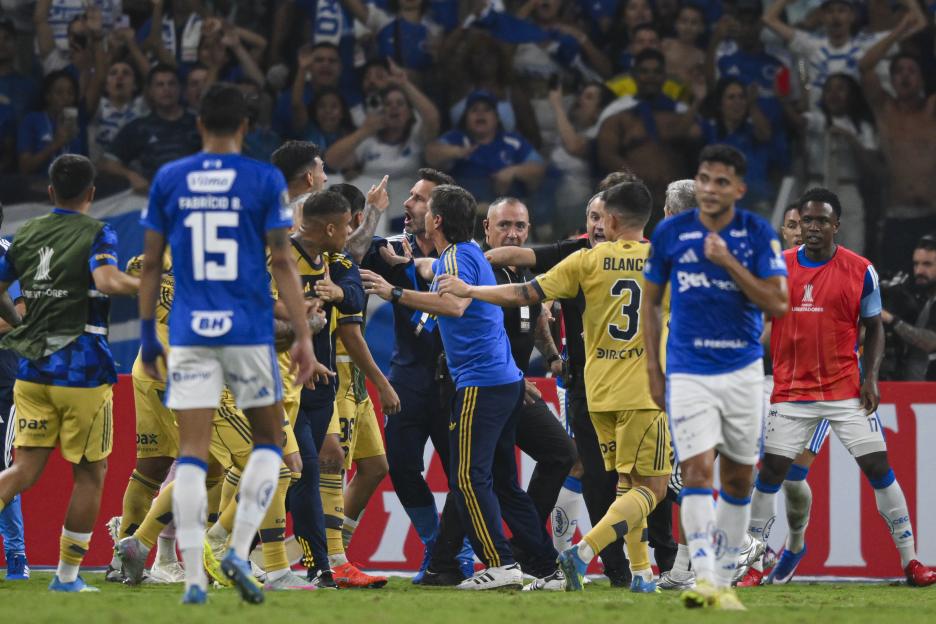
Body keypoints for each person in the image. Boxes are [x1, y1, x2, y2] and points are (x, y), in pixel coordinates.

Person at [439, 180, 672, 594]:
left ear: (612, 219)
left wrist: (470, 288)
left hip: (597, 393)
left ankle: (641, 573)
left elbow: (523, 293)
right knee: (652, 487)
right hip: (644, 391)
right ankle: (583, 552)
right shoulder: (664, 262)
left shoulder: (585, 260)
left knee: (625, 484)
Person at [137, 82, 321, 604]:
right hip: (248, 330)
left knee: (191, 453)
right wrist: (303, 335)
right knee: (270, 443)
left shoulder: (170, 179)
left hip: (192, 331)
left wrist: (150, 333)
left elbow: (151, 264)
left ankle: (194, 574)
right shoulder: (263, 179)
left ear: (199, 125)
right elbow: (284, 261)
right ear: (245, 127)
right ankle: (240, 550)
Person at [361, 184, 557, 590]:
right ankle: (545, 564)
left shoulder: (458, 257)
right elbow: (436, 272)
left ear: (436, 220)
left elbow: (454, 304)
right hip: (503, 381)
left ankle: (500, 564)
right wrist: (412, 265)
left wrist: (393, 292)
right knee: (500, 479)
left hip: (480, 384)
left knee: (468, 478)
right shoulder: (463, 254)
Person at [748, 187, 936, 588]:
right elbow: (756, 321)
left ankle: (912, 562)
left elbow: (874, 327)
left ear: (836, 225)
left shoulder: (860, 270)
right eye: (806, 221)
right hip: (791, 393)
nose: (812, 228)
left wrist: (870, 377)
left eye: (820, 221)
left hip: (844, 391)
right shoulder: (778, 268)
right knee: (772, 475)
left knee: (879, 468)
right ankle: (753, 564)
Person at [642, 144, 789, 610]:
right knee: (696, 470)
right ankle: (705, 578)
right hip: (688, 371)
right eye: (704, 179)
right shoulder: (670, 234)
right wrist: (653, 368)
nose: (710, 188)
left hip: (743, 371)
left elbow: (778, 302)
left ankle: (724, 575)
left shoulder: (758, 235)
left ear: (738, 190)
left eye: (721, 181)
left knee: (741, 477)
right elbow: (650, 302)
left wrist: (728, 262)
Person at [0, 154, 139, 592]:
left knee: (23, 470)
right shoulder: (98, 232)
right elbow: (110, 280)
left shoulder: (27, 233)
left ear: (50, 192)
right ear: (93, 193)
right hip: (83, 373)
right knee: (90, 474)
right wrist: (148, 283)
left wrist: (23, 326)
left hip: (33, 371)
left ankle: (64, 576)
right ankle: (66, 577)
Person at [426, 197, 577, 591]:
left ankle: (524, 558)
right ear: (487, 229)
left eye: (520, 226)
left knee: (495, 471)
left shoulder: (525, 273)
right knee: (477, 475)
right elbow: (457, 307)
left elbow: (537, 319)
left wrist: (553, 358)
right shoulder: (478, 266)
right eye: (505, 225)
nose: (513, 233)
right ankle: (473, 559)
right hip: (495, 384)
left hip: (506, 386)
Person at [858, 21, 936, 276]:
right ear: (891, 79)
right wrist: (900, 29)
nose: (905, 76)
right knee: (895, 285)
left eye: (911, 70)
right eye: (899, 71)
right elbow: (865, 65)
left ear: (922, 78)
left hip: (931, 215)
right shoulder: (885, 110)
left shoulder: (931, 110)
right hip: (896, 216)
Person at [762, 0, 925, 109]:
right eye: (830, 11)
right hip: (818, 130)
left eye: (841, 11)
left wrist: (909, 2)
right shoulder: (810, 44)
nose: (835, 17)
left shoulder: (869, 44)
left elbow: (920, 22)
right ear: (822, 17)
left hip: (860, 128)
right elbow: (769, 19)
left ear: (852, 16)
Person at [789, 73, 879, 255]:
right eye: (829, 89)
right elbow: (798, 121)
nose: (834, 94)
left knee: (852, 251)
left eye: (840, 89)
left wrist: (850, 139)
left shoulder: (863, 127)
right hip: (816, 186)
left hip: (848, 189)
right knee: (813, 251)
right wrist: (784, 101)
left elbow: (872, 167)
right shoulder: (817, 119)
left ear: (852, 95)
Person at [427, 90, 545, 202]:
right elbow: (430, 155)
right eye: (474, 110)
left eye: (487, 109)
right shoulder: (457, 138)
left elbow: (539, 168)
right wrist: (457, 152)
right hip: (464, 214)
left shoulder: (513, 141)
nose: (480, 113)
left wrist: (514, 171)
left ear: (497, 118)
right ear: (466, 119)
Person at [100, 64, 201, 194]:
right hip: (153, 198)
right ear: (150, 92)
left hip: (194, 196)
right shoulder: (139, 127)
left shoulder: (199, 124)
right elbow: (107, 162)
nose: (166, 89)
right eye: (160, 85)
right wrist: (131, 176)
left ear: (180, 89)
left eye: (171, 84)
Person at [0, 209, 27, 581]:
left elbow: (20, 314)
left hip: (2, 378)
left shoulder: (7, 255)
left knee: (3, 465)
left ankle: (16, 554)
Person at [881, 235, 936, 380]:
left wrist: (890, 319)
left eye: (927, 264)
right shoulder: (924, 300)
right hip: (914, 393)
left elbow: (931, 341)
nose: (919, 271)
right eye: (916, 264)